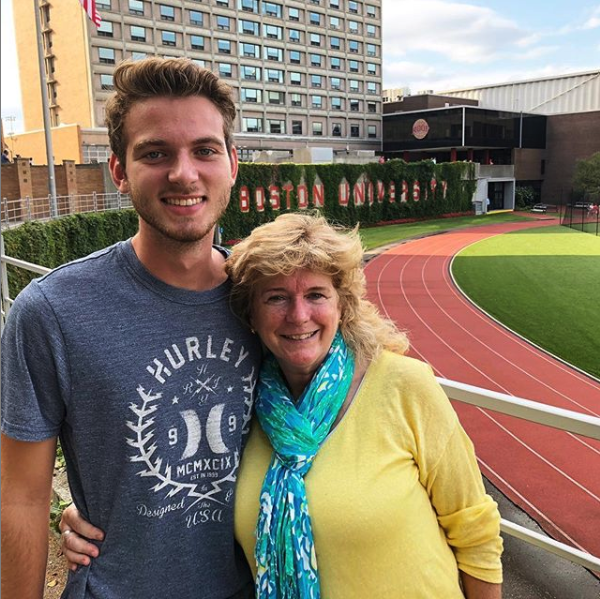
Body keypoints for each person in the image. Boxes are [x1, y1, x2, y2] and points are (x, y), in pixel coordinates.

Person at [62, 213, 503, 598]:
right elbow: (192, 482)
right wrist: (99, 514)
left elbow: (476, 531)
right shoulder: (244, 403)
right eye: (276, 297)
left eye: (315, 294)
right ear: (251, 314)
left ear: (341, 304)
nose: (298, 316)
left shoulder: (405, 387)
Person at [1, 57, 260, 599]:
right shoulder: (49, 313)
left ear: (233, 163)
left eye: (205, 150)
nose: (184, 173)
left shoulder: (271, 305)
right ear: (119, 170)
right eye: (155, 153)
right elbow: (20, 498)